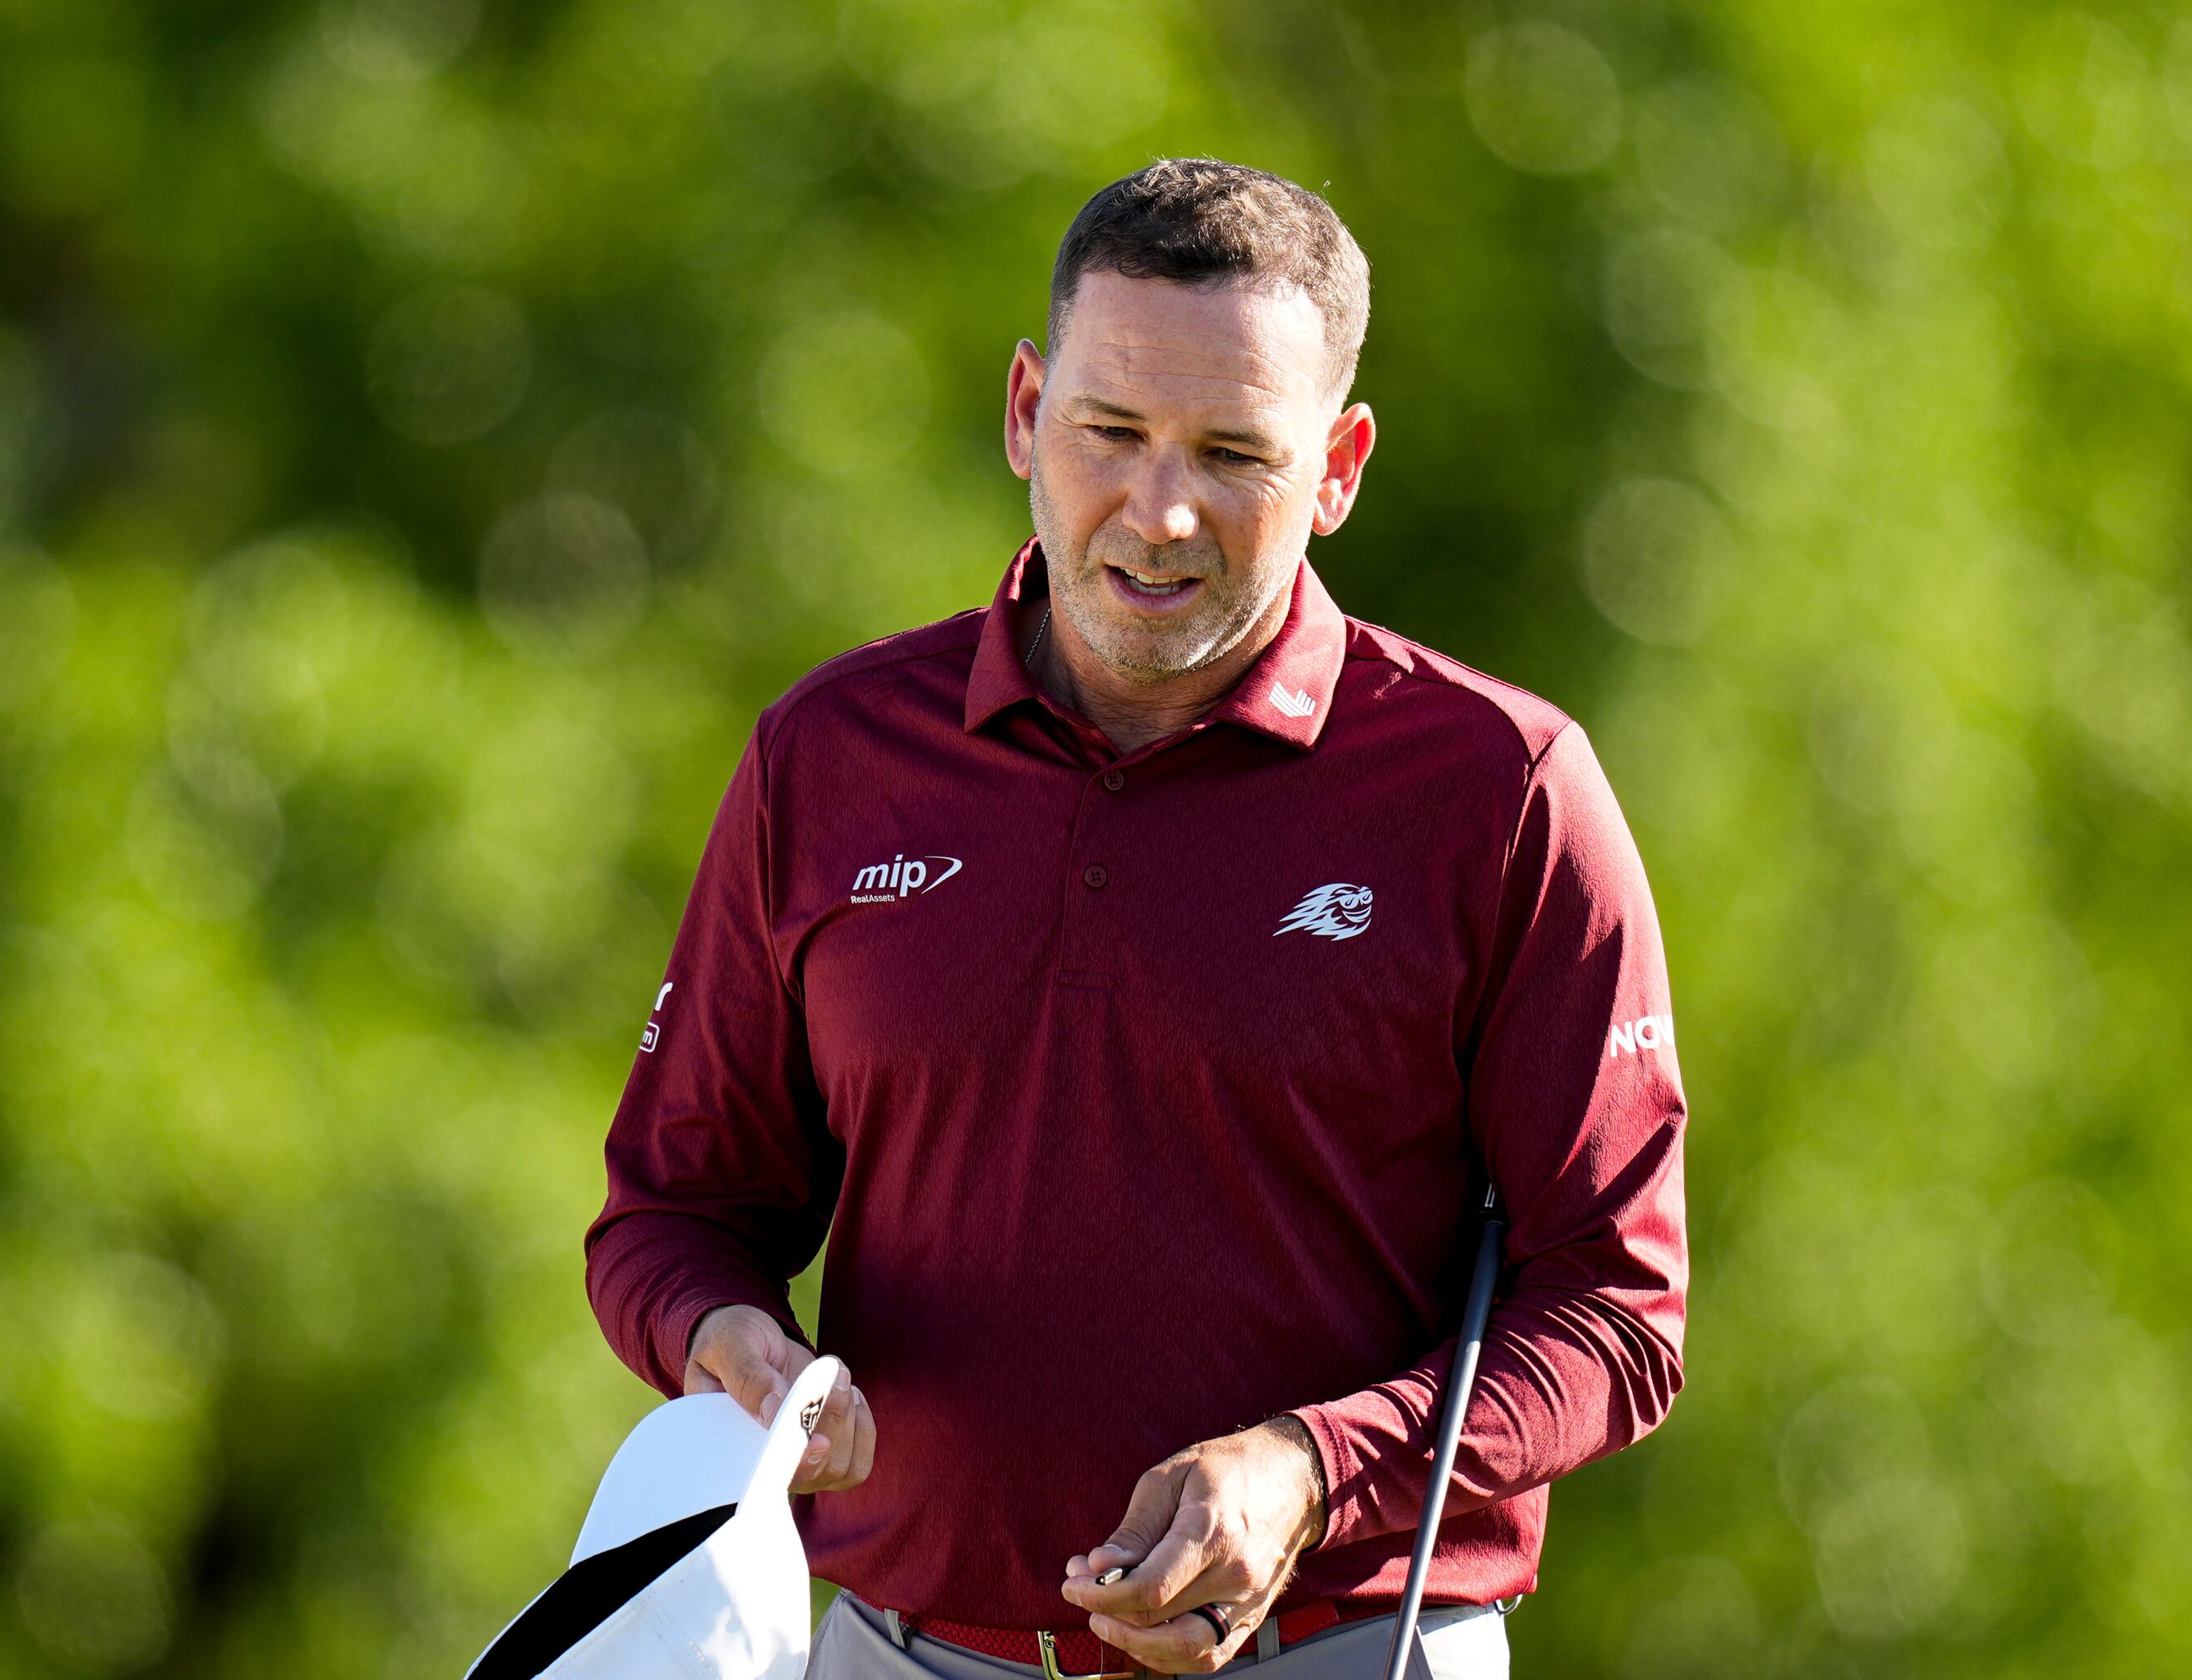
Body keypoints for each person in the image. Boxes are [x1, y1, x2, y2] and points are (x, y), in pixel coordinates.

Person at [587, 159, 1688, 1678]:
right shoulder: (830, 759)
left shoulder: (1505, 791)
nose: (1160, 511)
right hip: (899, 1654)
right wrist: (719, 1342)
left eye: (1233, 453)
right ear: (1027, 411)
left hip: (1344, 1652)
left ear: (1340, 466)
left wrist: (1312, 1471)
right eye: (1111, 431)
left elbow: (1618, 1313)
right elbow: (672, 1216)